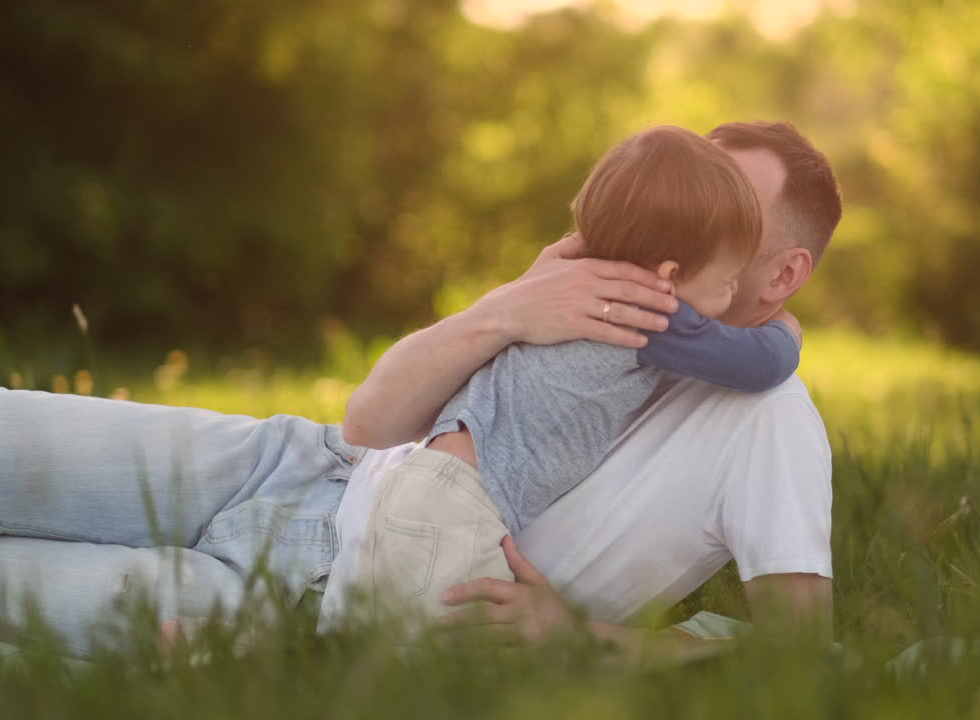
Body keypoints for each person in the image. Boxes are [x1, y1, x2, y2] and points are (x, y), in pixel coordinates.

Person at [0, 120, 841, 661]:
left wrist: (579, 638)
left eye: (729, 215)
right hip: (306, 463)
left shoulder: (766, 416)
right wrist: (506, 308)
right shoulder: (598, 293)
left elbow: (801, 652)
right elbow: (369, 419)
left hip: (319, 591)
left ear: (780, 272)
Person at [342, 125, 801, 628]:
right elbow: (759, 366)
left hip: (416, 486)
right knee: (468, 668)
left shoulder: (569, 284)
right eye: (727, 281)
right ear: (668, 276)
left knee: (377, 643)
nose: (731, 297)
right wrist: (789, 327)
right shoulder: (644, 313)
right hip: (459, 510)